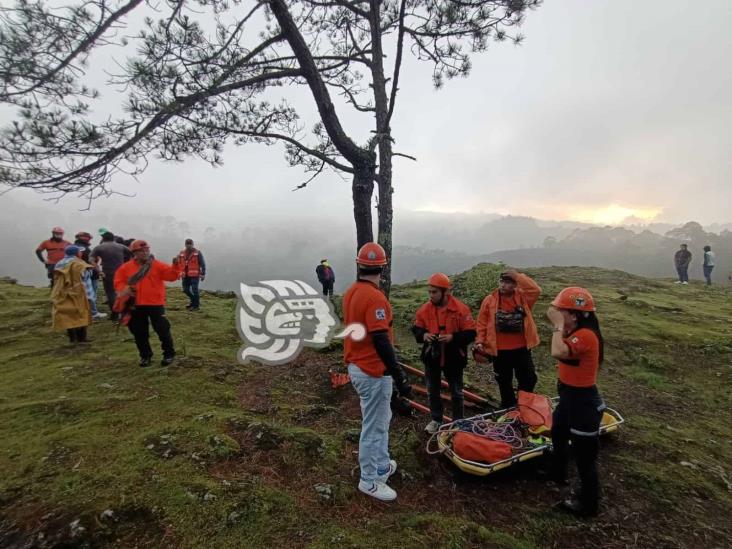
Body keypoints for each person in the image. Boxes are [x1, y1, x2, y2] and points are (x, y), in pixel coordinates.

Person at [344, 242, 411, 502]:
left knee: (381, 421)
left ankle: (381, 465)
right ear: (383, 267)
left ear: (359, 265)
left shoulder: (351, 292)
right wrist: (398, 374)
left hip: (359, 365)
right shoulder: (375, 297)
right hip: (371, 370)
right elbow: (381, 338)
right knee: (373, 426)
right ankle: (369, 480)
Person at [546, 287, 606, 517]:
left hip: (583, 402)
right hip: (568, 396)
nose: (557, 314)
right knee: (558, 432)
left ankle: (588, 503)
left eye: (562, 311)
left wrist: (558, 325)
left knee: (584, 456)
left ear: (575, 314)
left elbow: (557, 351)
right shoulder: (574, 330)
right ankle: (556, 472)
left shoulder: (586, 336)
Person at [411, 273, 476, 434]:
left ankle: (458, 423)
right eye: (430, 292)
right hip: (432, 357)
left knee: (456, 392)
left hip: (454, 357)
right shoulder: (425, 310)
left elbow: (471, 333)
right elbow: (417, 328)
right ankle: (436, 420)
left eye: (434, 292)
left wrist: (452, 338)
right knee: (432, 390)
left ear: (445, 292)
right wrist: (424, 335)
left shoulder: (461, 310)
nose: (431, 295)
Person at [475, 270, 541, 409]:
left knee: (529, 378)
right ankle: (508, 407)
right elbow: (481, 323)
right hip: (499, 350)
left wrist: (518, 276)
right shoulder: (489, 300)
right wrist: (480, 341)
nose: (503, 285)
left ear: (515, 285)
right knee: (504, 381)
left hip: (522, 348)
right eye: (502, 282)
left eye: (508, 283)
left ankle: (524, 405)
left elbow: (535, 289)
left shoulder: (523, 297)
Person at [114, 240, 181, 367]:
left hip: (155, 303)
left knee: (162, 329)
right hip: (135, 304)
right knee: (139, 332)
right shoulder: (126, 268)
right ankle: (145, 356)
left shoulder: (157, 265)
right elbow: (118, 281)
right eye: (141, 250)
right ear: (134, 253)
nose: (145, 252)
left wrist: (176, 265)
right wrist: (125, 289)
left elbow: (171, 276)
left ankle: (169, 354)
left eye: (147, 250)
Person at [51, 245, 93, 343]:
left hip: (63, 292)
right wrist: (89, 296)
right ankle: (82, 338)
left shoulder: (59, 263)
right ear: (77, 253)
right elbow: (85, 280)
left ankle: (72, 338)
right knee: (81, 314)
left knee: (68, 314)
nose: (81, 253)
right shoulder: (80, 264)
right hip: (78, 292)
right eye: (80, 252)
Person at [90, 232, 130, 319]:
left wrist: (99, 271)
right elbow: (132, 253)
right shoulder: (121, 246)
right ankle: (125, 312)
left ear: (103, 239)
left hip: (108, 274)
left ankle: (115, 314)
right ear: (113, 238)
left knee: (111, 294)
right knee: (122, 292)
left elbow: (91, 260)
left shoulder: (99, 247)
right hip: (122, 273)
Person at [74, 231, 106, 319]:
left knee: (83, 293)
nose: (89, 240)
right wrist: (98, 269)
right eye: (88, 238)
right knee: (91, 294)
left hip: (80, 272)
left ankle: (85, 311)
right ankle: (93, 313)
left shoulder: (75, 246)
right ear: (83, 238)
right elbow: (91, 260)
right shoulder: (83, 248)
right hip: (89, 272)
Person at [178, 238, 207, 310]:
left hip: (195, 275)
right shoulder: (181, 253)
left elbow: (202, 264)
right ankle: (193, 301)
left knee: (195, 290)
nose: (189, 245)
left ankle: (196, 306)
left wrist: (203, 274)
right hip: (185, 275)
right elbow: (179, 264)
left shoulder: (197, 253)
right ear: (185, 245)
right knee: (185, 290)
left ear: (192, 244)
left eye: (190, 244)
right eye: (187, 244)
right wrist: (178, 273)